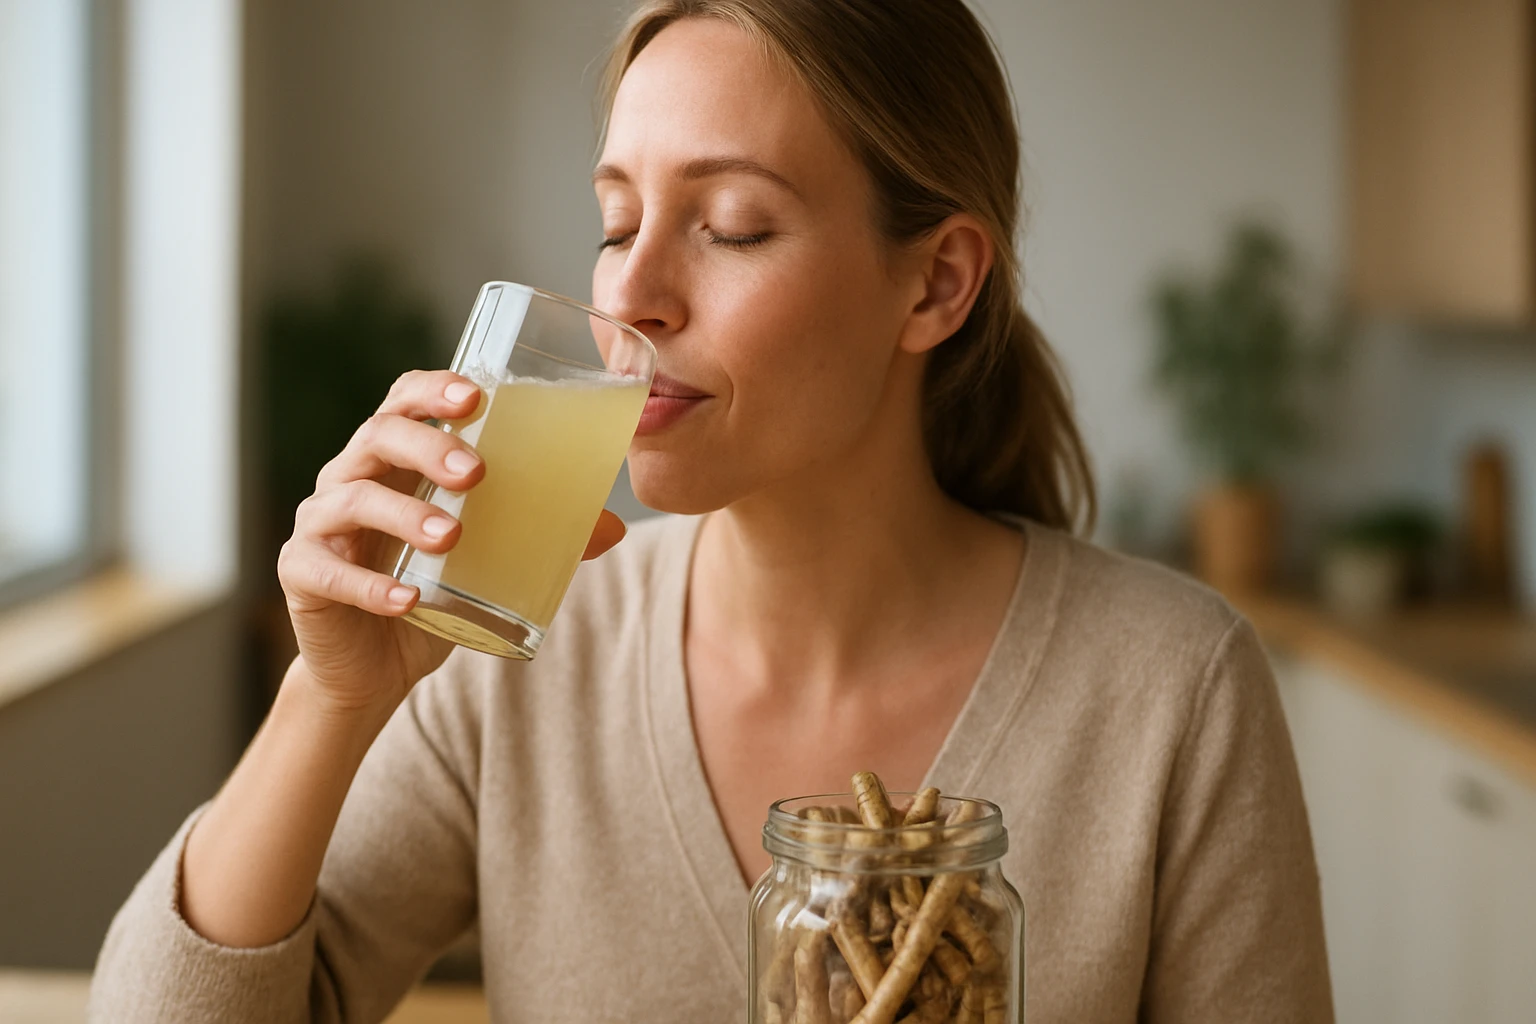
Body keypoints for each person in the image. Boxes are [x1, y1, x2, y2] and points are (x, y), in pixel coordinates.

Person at [90, 1, 1333, 1021]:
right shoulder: (518, 651)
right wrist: (329, 699)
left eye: (731, 228)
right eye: (616, 221)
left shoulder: (1176, 691)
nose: (631, 292)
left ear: (936, 284)